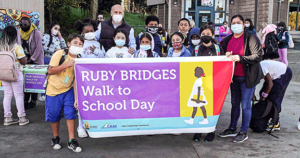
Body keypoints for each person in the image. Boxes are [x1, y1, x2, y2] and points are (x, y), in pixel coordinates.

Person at [218, 15, 263, 143]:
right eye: (233, 23)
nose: (236, 25)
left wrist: (240, 58)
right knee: (234, 103)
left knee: (246, 105)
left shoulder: (250, 37)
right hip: (234, 77)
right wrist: (226, 56)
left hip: (248, 77)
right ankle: (232, 128)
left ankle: (243, 131)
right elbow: (223, 56)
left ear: (244, 24)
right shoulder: (227, 40)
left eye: (239, 22)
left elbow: (258, 56)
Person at [45, 34, 83, 152]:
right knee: (54, 114)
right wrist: (66, 65)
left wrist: (76, 99)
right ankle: (55, 138)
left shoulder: (80, 59)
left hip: (68, 90)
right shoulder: (60, 54)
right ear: (68, 43)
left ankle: (72, 140)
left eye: (80, 44)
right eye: (75, 43)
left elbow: (76, 80)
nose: (77, 46)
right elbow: (50, 70)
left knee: (70, 113)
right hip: (53, 90)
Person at [190, 25, 224, 142]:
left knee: (212, 107)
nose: (205, 35)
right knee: (199, 105)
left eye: (208, 33)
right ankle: (198, 131)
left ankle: (211, 130)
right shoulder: (196, 49)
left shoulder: (218, 48)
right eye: (203, 34)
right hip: (200, 82)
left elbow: (223, 64)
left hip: (214, 82)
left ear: (213, 35)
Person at [0, 26, 30, 126]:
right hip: (15, 73)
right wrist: (24, 59)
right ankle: (22, 118)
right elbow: (23, 61)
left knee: (7, 94)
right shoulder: (16, 47)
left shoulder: (1, 47)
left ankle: (7, 117)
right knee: (18, 95)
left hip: (3, 74)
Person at [252, 60, 292, 131]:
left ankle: (275, 123)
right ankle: (267, 115)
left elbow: (270, 84)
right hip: (274, 75)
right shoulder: (253, 70)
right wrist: (253, 94)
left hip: (284, 74)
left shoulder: (262, 68)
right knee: (263, 92)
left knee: (275, 97)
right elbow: (253, 82)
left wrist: (263, 97)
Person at [16, 17, 44, 109]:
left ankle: (33, 100)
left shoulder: (36, 32)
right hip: (24, 59)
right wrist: (22, 58)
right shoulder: (18, 31)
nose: (23, 26)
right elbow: (17, 45)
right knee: (25, 81)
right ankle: (26, 100)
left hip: (35, 60)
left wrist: (31, 59)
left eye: (25, 25)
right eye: (22, 24)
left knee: (34, 81)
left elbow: (39, 48)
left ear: (30, 24)